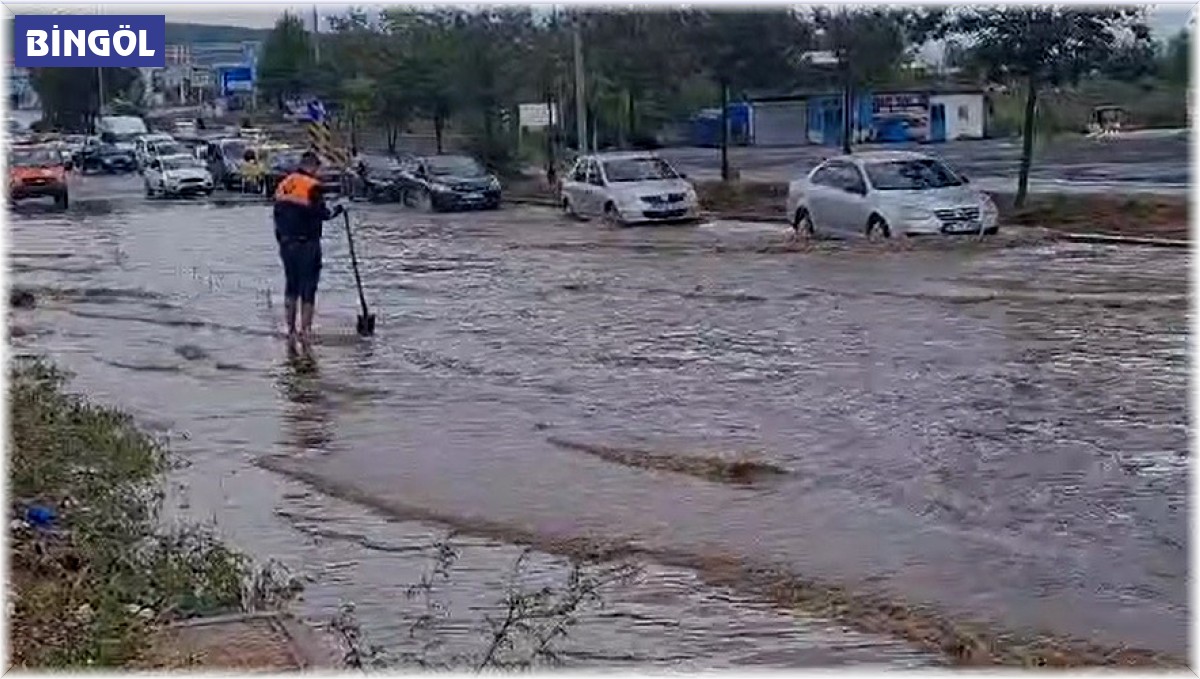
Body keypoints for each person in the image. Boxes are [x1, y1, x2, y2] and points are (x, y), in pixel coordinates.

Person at [273, 150, 344, 343]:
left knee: (291, 286)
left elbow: (277, 215)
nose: (319, 173)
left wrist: (282, 239)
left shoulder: (284, 184)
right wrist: (338, 210)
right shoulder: (313, 186)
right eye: (318, 169)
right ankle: (306, 331)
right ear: (312, 166)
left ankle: (290, 330)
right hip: (307, 244)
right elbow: (323, 214)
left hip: (286, 244)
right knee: (308, 288)